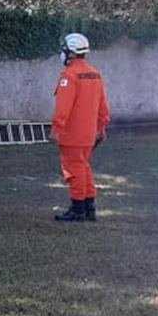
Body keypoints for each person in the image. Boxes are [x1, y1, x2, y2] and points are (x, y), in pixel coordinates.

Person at [50, 32, 111, 222]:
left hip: (72, 132)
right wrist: (101, 127)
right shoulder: (95, 74)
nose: (63, 53)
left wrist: (56, 128)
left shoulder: (69, 75)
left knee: (74, 169)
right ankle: (88, 207)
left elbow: (63, 107)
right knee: (84, 168)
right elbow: (103, 105)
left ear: (72, 52)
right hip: (89, 132)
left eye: (65, 50)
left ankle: (78, 209)